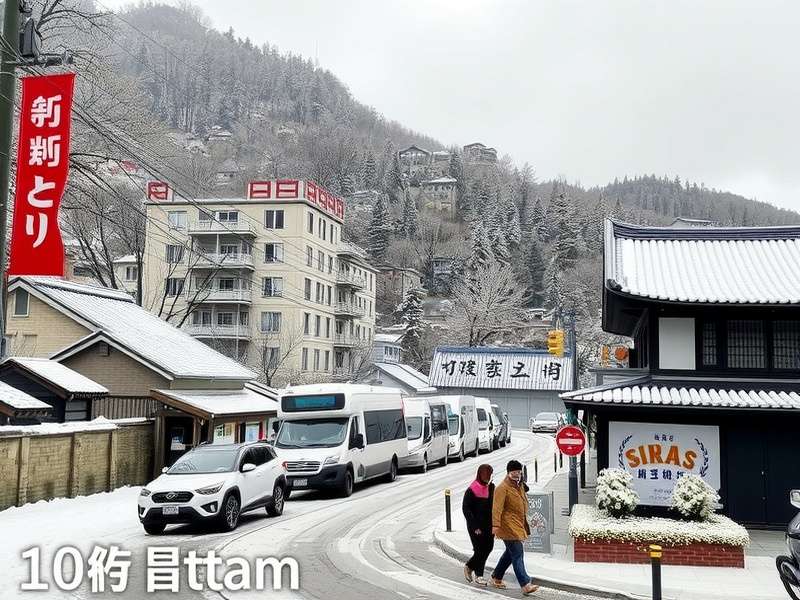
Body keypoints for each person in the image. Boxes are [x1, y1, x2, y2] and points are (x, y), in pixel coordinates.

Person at [490, 460, 539, 595]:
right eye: (514, 472)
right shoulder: (502, 488)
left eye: (519, 472)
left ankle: (496, 576)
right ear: (508, 472)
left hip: (517, 524)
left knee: (510, 554)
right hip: (507, 526)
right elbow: (496, 509)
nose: (517, 474)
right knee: (517, 553)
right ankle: (525, 584)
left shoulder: (519, 485)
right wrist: (495, 525)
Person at [462, 464, 495, 586]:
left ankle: (469, 566)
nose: (488, 477)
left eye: (490, 474)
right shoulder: (472, 489)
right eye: (486, 475)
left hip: (489, 525)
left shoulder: (491, 488)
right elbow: (466, 509)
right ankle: (479, 576)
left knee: (488, 548)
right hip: (476, 526)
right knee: (480, 549)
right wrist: (474, 526)